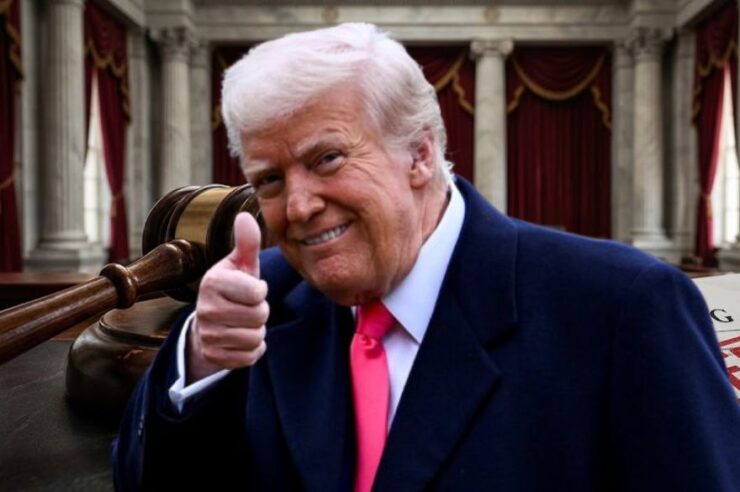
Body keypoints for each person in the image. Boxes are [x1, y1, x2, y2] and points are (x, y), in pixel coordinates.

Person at [113, 23, 740, 491]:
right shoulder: (252, 302)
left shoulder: (624, 306)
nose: (298, 206)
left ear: (419, 153)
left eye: (327, 159)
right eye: (269, 180)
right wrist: (202, 359)